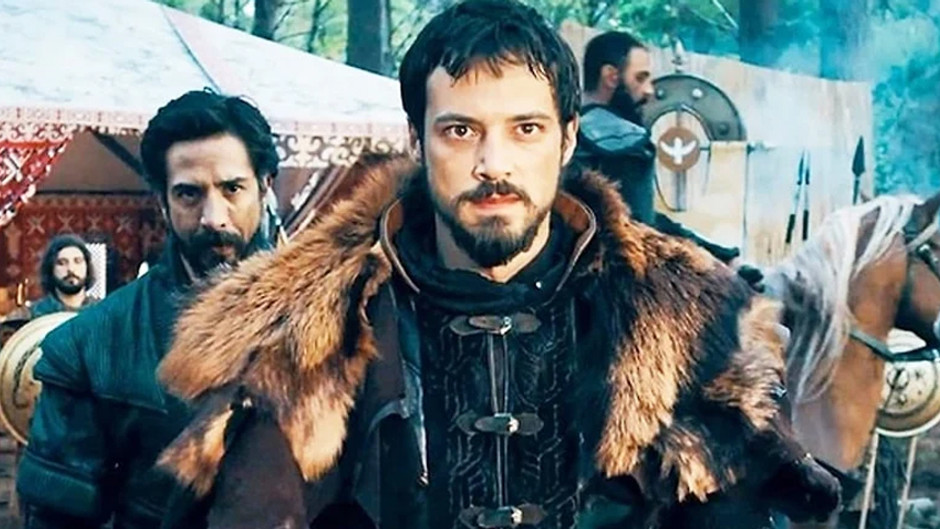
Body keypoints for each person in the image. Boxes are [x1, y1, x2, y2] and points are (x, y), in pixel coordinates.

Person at [156, 2, 838, 529]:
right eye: (460, 131)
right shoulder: (310, 332)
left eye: (525, 129)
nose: (492, 163)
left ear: (567, 139)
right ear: (417, 141)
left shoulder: (684, 323)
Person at [15, 89, 280, 529]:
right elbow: (56, 518)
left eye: (232, 188)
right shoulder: (92, 343)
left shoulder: (339, 317)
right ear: (162, 201)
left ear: (264, 186)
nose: (214, 216)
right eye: (189, 194)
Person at [574, 31, 745, 267]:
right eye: (640, 78)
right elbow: (641, 228)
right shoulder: (624, 140)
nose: (649, 90)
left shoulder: (561, 129)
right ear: (611, 76)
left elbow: (641, 217)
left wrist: (720, 254)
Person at [28, 233, 100, 318]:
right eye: (62, 263)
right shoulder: (34, 314)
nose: (71, 269)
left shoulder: (101, 311)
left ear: (87, 267)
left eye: (77, 261)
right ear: (51, 268)